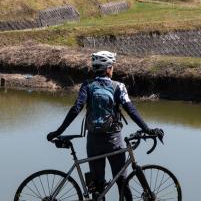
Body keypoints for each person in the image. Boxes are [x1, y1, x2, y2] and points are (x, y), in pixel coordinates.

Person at [46, 51, 163, 197]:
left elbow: (76, 108)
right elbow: (131, 110)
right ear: (108, 68)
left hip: (93, 140)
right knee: (122, 182)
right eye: (112, 66)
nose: (113, 69)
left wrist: (58, 131)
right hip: (113, 140)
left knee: (97, 187)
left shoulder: (87, 85)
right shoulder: (118, 86)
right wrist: (147, 129)